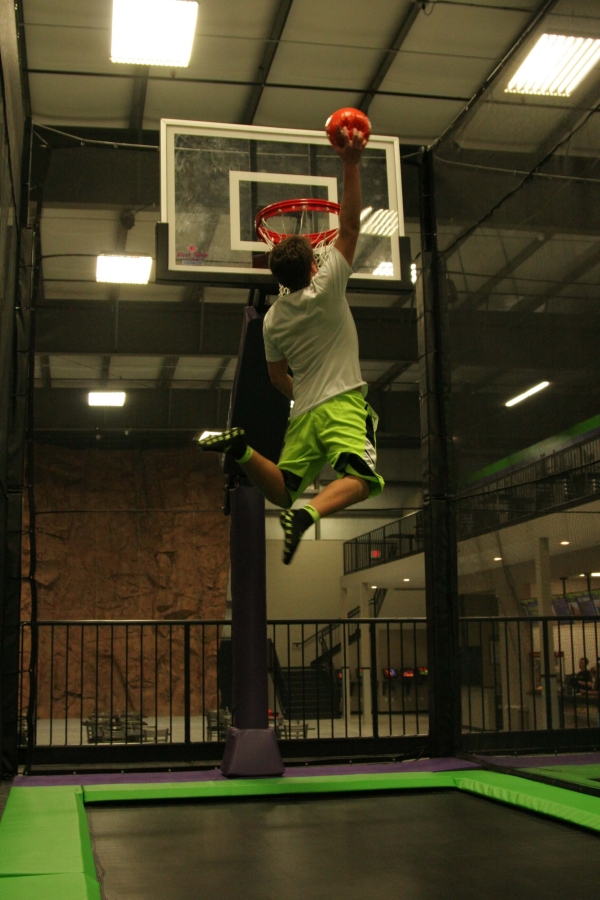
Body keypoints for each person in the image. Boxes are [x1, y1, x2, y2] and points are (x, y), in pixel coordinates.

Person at [199, 127, 384, 564]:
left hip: (303, 413)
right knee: (362, 480)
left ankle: (241, 450)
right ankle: (307, 517)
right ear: (314, 262)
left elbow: (276, 377)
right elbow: (352, 224)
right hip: (341, 404)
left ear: (276, 275)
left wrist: (302, 394)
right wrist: (351, 162)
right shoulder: (329, 285)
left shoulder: (272, 320)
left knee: (282, 488)